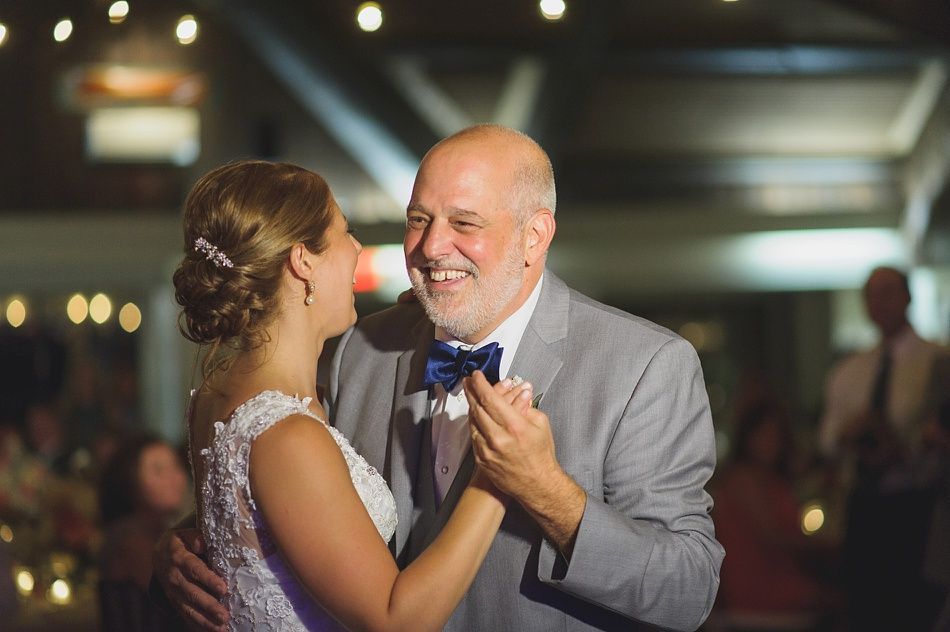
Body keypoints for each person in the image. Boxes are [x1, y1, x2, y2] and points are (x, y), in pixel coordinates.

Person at [157, 126, 723, 631]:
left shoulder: (645, 366)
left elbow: (687, 593)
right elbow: (282, 480)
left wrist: (550, 494)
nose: (430, 248)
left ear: (535, 235)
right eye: (419, 220)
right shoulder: (364, 348)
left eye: (464, 222)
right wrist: (191, 540)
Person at [168, 160, 520, 631]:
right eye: (344, 231)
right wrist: (495, 474)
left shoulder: (220, 394)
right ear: (303, 261)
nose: (356, 247)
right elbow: (397, 621)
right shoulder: (286, 434)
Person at [819, 266, 949, 631]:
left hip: (920, 502)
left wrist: (904, 443)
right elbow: (828, 439)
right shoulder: (850, 371)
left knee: (916, 605)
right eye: (872, 294)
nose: (880, 302)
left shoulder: (936, 362)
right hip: (865, 503)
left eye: (889, 291)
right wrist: (854, 433)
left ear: (907, 296)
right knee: (869, 606)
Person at [98, 435, 189, 631]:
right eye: (158, 470)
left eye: (176, 466)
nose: (174, 477)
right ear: (131, 481)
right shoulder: (129, 536)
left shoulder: (160, 531)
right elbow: (173, 597)